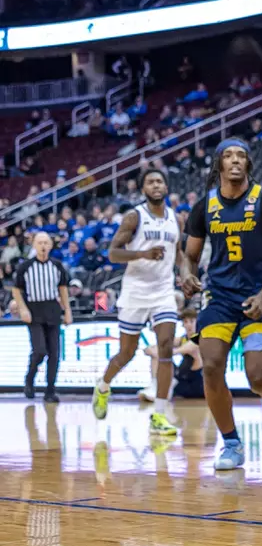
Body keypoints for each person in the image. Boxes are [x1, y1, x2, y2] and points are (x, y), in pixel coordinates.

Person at [180, 140, 262, 470]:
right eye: (228, 156)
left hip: (259, 296)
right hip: (219, 297)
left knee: (256, 377)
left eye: (241, 156)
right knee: (212, 365)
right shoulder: (204, 207)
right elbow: (188, 257)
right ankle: (231, 443)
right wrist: (187, 275)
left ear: (248, 164)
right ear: (218, 165)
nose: (235, 161)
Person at [91, 169, 182, 437]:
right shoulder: (135, 216)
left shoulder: (175, 219)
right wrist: (142, 253)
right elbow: (113, 253)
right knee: (126, 353)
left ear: (166, 186)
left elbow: (180, 255)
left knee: (165, 348)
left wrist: (187, 274)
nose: (156, 185)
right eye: (150, 182)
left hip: (164, 291)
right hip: (135, 291)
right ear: (143, 189)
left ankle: (160, 415)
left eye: (160, 181)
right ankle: (103, 385)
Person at [12, 232, 72, 402]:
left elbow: (63, 289)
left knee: (54, 353)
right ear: (34, 245)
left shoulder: (57, 266)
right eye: (40, 242)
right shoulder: (26, 267)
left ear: (51, 245)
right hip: (34, 311)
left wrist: (67, 311)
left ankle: (50, 391)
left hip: (52, 309)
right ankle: (29, 379)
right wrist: (23, 309)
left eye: (46, 242)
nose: (43, 246)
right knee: (39, 351)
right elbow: (16, 290)